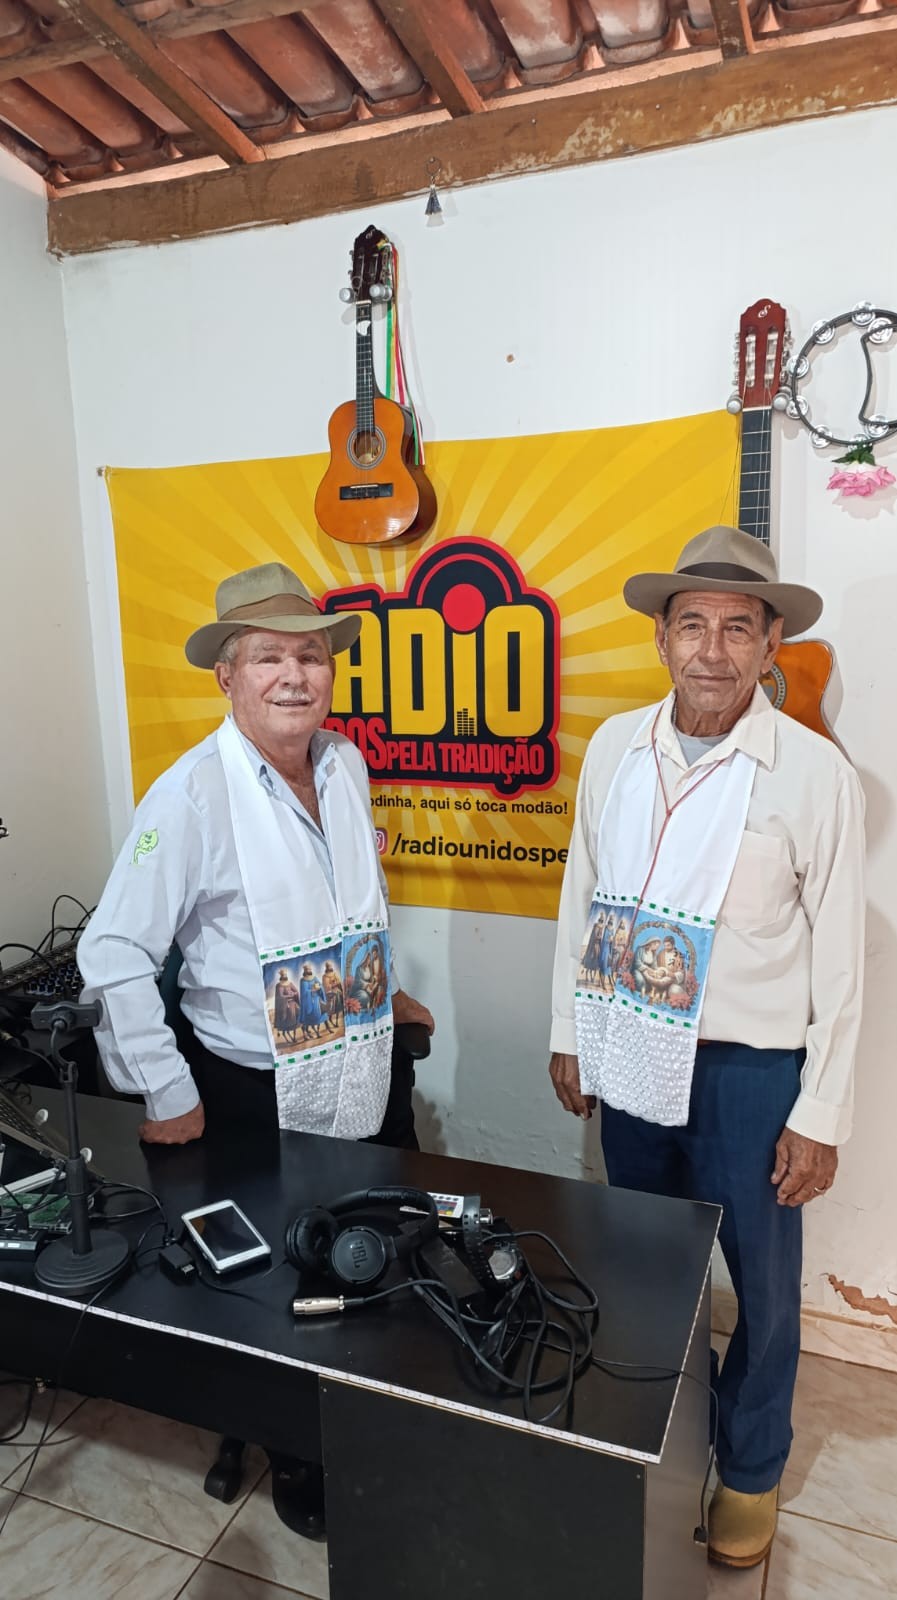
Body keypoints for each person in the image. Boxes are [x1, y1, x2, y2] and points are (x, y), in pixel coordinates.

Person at [78, 560, 434, 1540]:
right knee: (280, 1284)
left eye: (310, 656)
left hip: (363, 1062)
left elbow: (352, 901)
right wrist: (164, 1087)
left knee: (373, 1252)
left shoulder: (345, 762)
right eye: (269, 656)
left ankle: (370, 1415)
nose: (293, 675)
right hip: (251, 1088)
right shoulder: (192, 795)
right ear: (227, 675)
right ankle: (300, 1452)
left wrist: (384, 987)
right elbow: (112, 950)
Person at [548, 525, 865, 1571]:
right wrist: (569, 1028)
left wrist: (820, 1111)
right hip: (630, 1047)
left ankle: (751, 1466)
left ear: (772, 643)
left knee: (763, 1291)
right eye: (693, 625)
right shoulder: (615, 748)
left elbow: (843, 959)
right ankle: (660, 1441)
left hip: (747, 1074)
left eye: (739, 628)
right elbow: (584, 892)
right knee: (644, 1265)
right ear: (661, 637)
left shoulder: (812, 775)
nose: (713, 651)